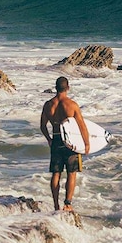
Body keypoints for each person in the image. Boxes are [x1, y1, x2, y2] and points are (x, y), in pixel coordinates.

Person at [40, 76, 89, 211]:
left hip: (56, 140)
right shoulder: (72, 105)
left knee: (56, 173)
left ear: (55, 88)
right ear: (68, 88)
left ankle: (56, 205)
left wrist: (49, 139)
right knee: (71, 173)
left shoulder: (48, 105)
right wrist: (86, 144)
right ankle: (67, 204)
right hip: (70, 142)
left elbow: (42, 126)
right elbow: (82, 126)